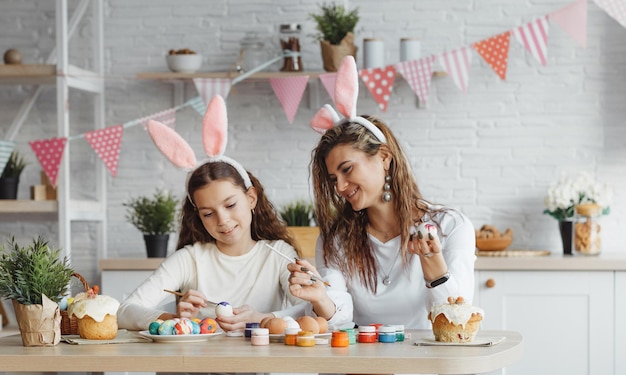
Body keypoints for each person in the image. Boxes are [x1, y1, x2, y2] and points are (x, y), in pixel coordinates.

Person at [287, 56, 476, 330]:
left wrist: (432, 261)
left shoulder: (450, 227)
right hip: (363, 370)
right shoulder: (336, 240)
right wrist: (319, 297)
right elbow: (340, 320)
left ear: (384, 157)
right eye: (333, 178)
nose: (339, 187)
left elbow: (457, 320)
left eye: (347, 169)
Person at [117, 96, 307, 332]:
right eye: (208, 214)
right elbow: (124, 311)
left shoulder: (278, 255)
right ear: (198, 216)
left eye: (230, 205)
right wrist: (175, 318)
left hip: (260, 367)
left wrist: (262, 318)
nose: (223, 220)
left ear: (251, 198)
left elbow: (308, 310)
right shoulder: (191, 259)